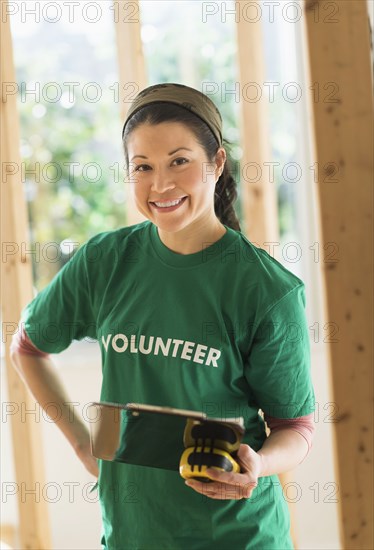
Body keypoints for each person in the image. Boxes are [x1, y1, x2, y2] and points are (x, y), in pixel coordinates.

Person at [11, 82, 316, 550]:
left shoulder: (266, 290)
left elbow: (295, 428)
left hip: (237, 536)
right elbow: (28, 346)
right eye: (142, 167)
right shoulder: (105, 262)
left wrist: (259, 463)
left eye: (179, 161)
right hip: (132, 535)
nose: (161, 185)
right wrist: (82, 444)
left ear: (216, 162)